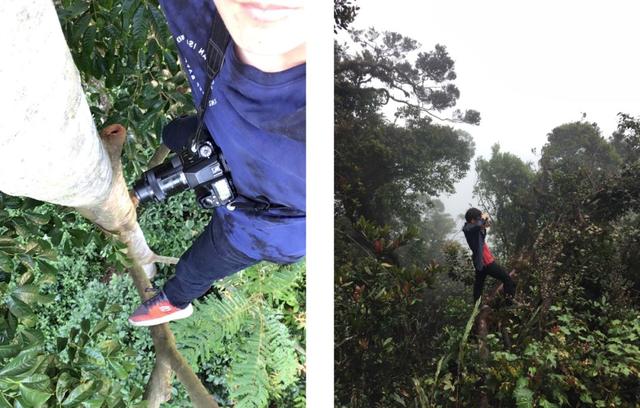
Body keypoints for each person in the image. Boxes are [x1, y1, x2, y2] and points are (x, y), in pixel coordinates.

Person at [128, 0, 306, 327]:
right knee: (175, 131)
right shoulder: (202, 10)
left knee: (198, 267)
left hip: (261, 228)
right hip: (217, 137)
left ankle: (173, 301)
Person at [462, 208, 515, 305]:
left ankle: (476, 307)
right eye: (478, 218)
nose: (480, 220)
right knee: (507, 279)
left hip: (481, 262)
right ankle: (509, 303)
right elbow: (477, 226)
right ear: (472, 220)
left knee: (478, 286)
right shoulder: (468, 228)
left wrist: (484, 226)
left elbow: (480, 230)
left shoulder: (474, 229)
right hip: (486, 262)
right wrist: (482, 220)